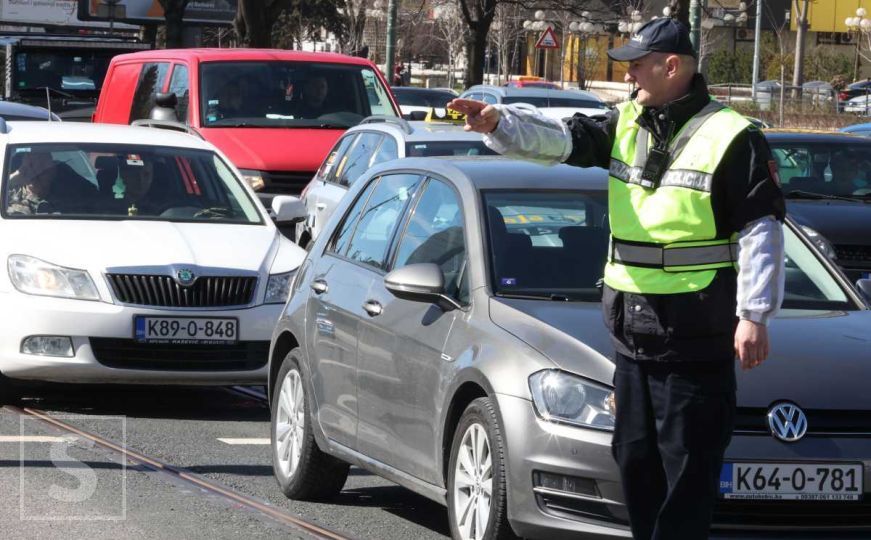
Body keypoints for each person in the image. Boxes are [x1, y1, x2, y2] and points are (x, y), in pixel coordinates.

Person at [450, 17, 786, 540]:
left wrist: (754, 316)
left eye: (636, 65)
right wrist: (499, 123)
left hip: (695, 337)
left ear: (671, 66)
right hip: (632, 336)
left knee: (688, 472)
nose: (628, 75)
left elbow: (761, 231)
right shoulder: (627, 120)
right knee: (634, 462)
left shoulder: (732, 136)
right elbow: (562, 139)